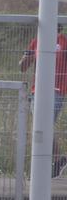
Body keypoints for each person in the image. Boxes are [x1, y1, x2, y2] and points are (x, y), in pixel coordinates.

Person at [20, 24, 67, 177]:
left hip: (57, 90)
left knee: (45, 125)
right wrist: (28, 57)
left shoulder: (64, 42)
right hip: (37, 91)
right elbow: (22, 67)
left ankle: (50, 164)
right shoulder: (36, 41)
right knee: (39, 127)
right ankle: (58, 160)